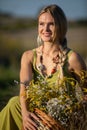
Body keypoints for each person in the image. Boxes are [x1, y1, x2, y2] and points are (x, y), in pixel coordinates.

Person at [0, 4, 87, 130]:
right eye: (41, 24)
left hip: (56, 120)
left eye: (51, 24)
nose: (45, 29)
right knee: (14, 103)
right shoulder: (28, 56)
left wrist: (72, 114)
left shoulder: (73, 59)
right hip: (31, 115)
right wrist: (25, 116)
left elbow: (86, 93)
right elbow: (24, 90)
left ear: (61, 27)